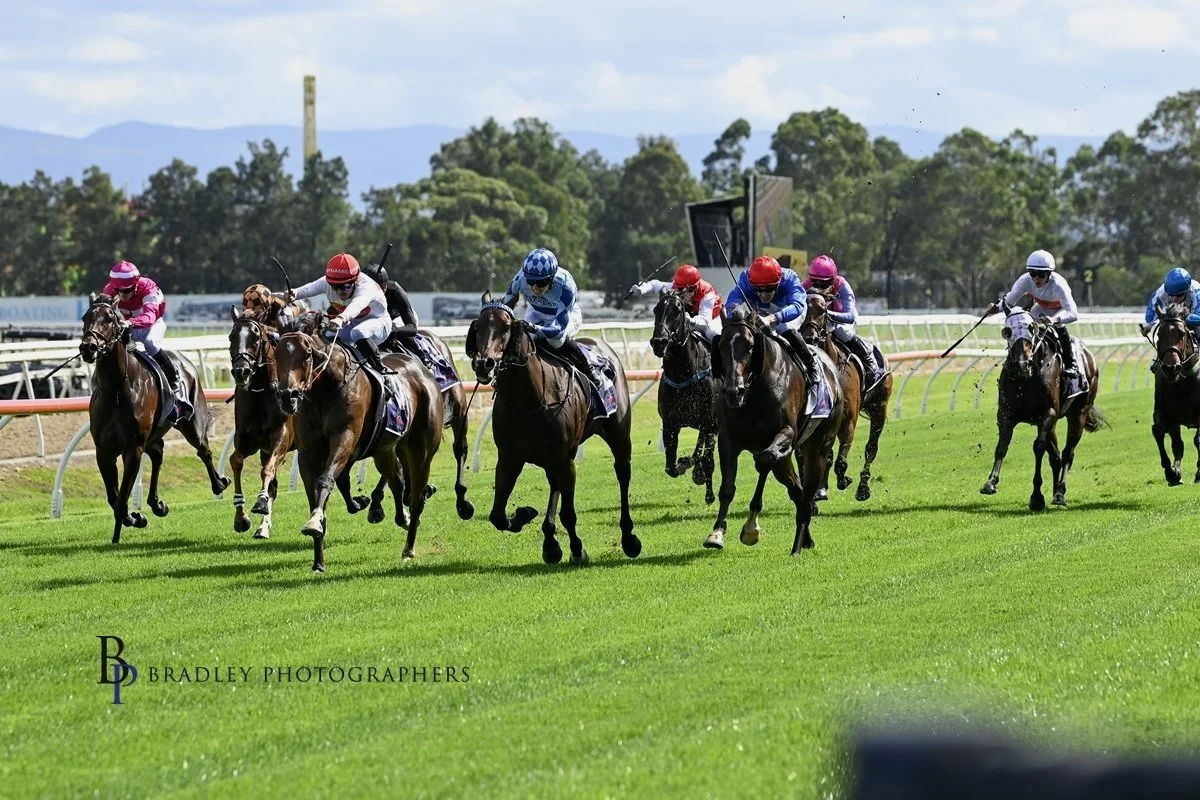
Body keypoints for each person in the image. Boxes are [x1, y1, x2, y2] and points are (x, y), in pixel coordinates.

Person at [501, 247, 603, 386]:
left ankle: (589, 370)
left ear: (552, 278)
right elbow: (505, 307)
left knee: (556, 341)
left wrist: (532, 327)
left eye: (541, 283)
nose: (535, 288)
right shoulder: (520, 278)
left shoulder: (566, 284)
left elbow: (558, 330)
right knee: (521, 339)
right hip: (536, 312)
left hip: (565, 316)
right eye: (530, 281)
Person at [102, 260, 191, 416]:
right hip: (128, 326)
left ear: (136, 285)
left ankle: (174, 380)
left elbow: (149, 317)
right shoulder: (109, 290)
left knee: (150, 344)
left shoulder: (148, 288)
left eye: (127, 290)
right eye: (118, 290)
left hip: (152, 324)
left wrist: (129, 322)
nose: (122, 295)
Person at [285, 252, 395, 374]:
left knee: (358, 332)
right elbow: (309, 288)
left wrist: (341, 318)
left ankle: (381, 370)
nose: (339, 292)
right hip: (353, 323)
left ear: (356, 280)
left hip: (379, 323)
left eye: (345, 287)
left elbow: (356, 306)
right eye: (334, 287)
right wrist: (294, 293)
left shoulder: (366, 288)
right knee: (328, 335)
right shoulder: (329, 282)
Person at [725, 255, 821, 386]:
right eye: (758, 289)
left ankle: (811, 365)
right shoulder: (746, 279)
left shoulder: (790, 278)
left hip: (788, 310)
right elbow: (731, 302)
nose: (763, 294)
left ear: (779, 283)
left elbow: (797, 306)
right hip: (761, 311)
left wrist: (773, 318)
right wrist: (738, 314)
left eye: (769, 289)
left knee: (784, 327)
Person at [985, 249, 1080, 377]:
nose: (1036, 278)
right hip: (1040, 307)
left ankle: (1071, 364)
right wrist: (996, 308)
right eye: (1032, 273)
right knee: (1024, 327)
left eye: (1041, 274)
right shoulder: (1025, 280)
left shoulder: (1058, 284)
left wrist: (1054, 319)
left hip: (1059, 310)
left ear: (1049, 273)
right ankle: (1018, 360)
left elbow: (1073, 313)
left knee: (1059, 326)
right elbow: (1010, 300)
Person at [801, 254, 881, 385]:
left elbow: (850, 317)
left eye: (823, 284)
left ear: (832, 280)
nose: (818, 287)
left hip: (840, 318)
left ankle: (868, 358)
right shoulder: (806, 284)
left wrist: (827, 314)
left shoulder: (842, 285)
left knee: (842, 331)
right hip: (818, 318)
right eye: (815, 282)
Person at [628, 263, 723, 341]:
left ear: (697, 286)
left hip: (712, 319)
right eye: (681, 289)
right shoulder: (675, 287)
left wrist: (690, 320)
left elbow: (704, 320)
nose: (686, 293)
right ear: (677, 286)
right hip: (690, 317)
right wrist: (641, 289)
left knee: (712, 334)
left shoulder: (707, 294)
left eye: (690, 289)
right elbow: (654, 285)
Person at [359, 261, 421, 346]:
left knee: (393, 326)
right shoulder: (357, 292)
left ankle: (421, 352)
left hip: (399, 318)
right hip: (380, 321)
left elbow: (412, 328)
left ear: (386, 285)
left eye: (380, 288)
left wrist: (393, 331)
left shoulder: (395, 290)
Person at [1142, 267, 1200, 332]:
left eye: (1179, 295)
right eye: (1171, 295)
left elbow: (1198, 316)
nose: (1174, 299)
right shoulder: (1160, 292)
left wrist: (1183, 317)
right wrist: (1148, 325)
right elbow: (1152, 311)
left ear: (1186, 290)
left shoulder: (1196, 290)